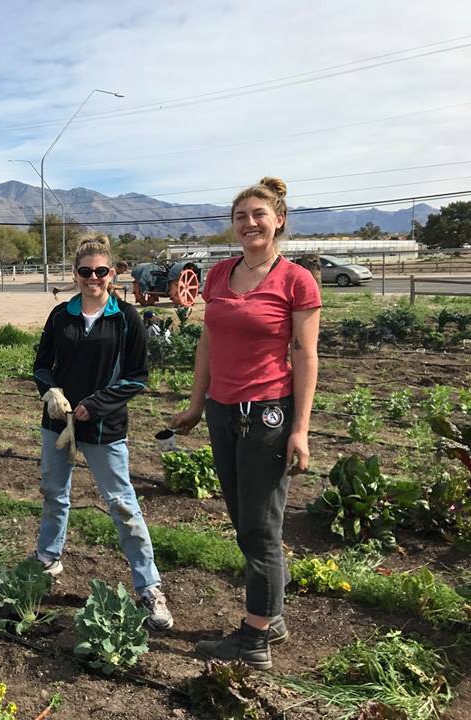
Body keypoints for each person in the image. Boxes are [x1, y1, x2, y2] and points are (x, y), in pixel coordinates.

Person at [170, 177, 321, 670]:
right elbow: (208, 344)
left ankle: (255, 640)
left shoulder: (296, 280)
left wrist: (300, 428)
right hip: (221, 409)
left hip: (267, 413)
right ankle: (270, 616)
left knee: (260, 529)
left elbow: (304, 354)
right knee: (244, 520)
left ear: (279, 219)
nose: (249, 223)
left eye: (259, 214)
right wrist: (196, 404)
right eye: (241, 216)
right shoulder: (218, 275)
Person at [33, 236, 173, 631]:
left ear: (112, 274)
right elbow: (42, 365)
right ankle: (47, 559)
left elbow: (137, 378)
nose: (93, 278)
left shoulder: (125, 318)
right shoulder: (61, 316)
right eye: (85, 272)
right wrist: (51, 392)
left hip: (105, 427)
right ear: (76, 275)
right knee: (53, 493)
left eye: (100, 271)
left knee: (122, 503)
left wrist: (95, 404)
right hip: (58, 423)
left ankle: (149, 587)